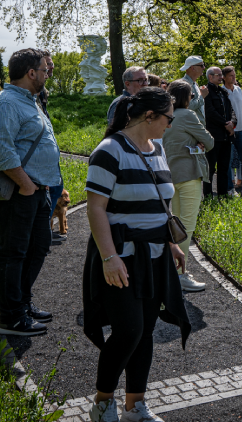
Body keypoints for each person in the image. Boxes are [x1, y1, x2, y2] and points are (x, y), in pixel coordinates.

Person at [84, 86, 190, 422]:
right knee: (128, 330)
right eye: (168, 118)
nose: (170, 124)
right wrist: (108, 257)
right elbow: (95, 208)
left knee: (145, 331)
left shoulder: (157, 148)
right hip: (121, 256)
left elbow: (161, 200)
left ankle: (135, 406)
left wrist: (171, 242)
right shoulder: (109, 150)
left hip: (155, 254)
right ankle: (102, 404)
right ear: (149, 116)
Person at [0, 48, 61, 337]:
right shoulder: (5, 103)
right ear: (31, 73)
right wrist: (26, 185)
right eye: (44, 70)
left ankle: (23, 303)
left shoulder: (29, 101)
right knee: (13, 253)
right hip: (20, 191)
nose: (47, 74)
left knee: (38, 246)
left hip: (38, 190)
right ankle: (11, 318)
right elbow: (2, 152)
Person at [162, 80, 214, 293]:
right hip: (189, 175)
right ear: (186, 97)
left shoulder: (164, 115)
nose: (193, 98)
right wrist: (197, 143)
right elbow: (209, 141)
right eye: (192, 95)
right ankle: (179, 275)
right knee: (186, 226)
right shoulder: (187, 115)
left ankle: (171, 272)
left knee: (175, 225)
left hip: (169, 175)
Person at [37, 51, 67, 242]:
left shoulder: (43, 92)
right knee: (52, 189)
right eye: (47, 64)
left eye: (52, 63)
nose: (51, 67)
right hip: (39, 155)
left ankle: (44, 231)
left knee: (55, 188)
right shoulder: (34, 93)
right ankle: (42, 233)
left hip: (47, 153)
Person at [202, 66, 236, 199]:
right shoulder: (206, 91)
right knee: (210, 168)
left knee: (224, 167)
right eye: (218, 75)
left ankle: (222, 195)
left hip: (226, 136)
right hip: (213, 136)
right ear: (210, 77)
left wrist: (232, 123)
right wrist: (225, 124)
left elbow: (231, 110)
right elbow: (210, 112)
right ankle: (208, 196)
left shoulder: (223, 92)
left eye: (221, 74)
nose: (221, 77)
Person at [222, 66, 242, 195]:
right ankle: (230, 188)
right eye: (231, 76)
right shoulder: (222, 91)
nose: (233, 78)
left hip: (240, 130)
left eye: (234, 75)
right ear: (224, 77)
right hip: (228, 131)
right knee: (228, 160)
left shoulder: (238, 89)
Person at [179, 55, 208, 126]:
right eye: (201, 65)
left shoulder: (194, 83)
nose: (204, 68)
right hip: (190, 126)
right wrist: (202, 96)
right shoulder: (184, 84)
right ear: (193, 68)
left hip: (197, 125)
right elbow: (189, 106)